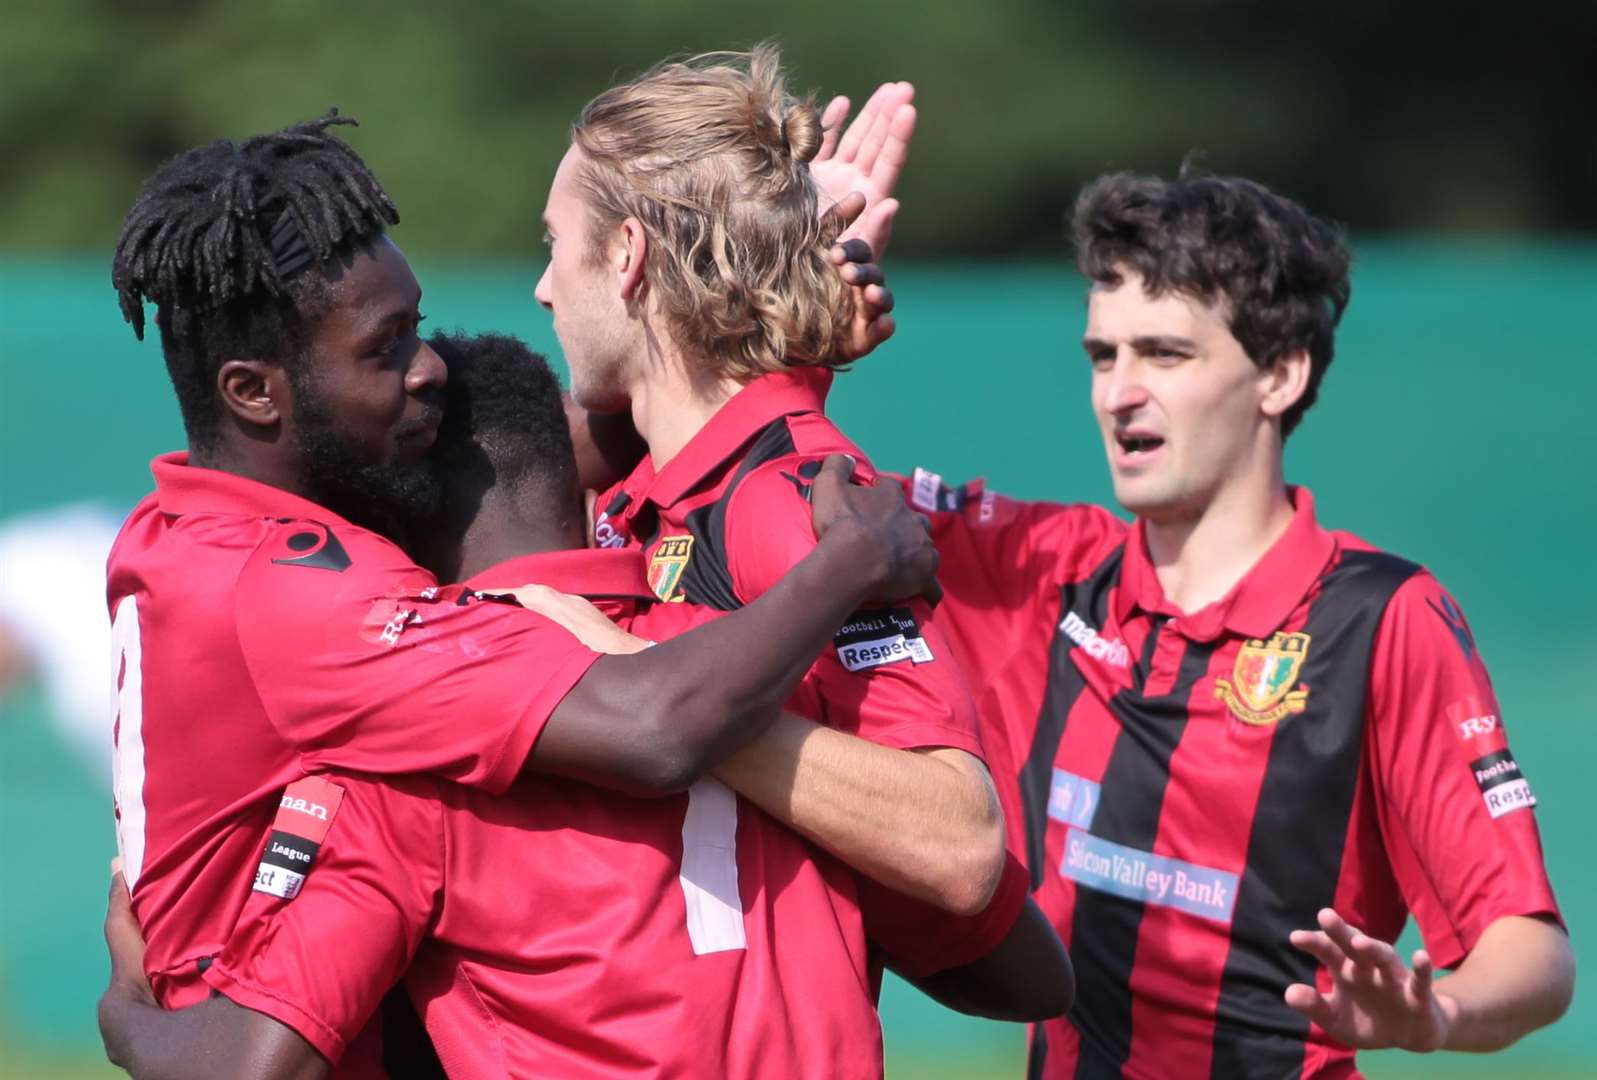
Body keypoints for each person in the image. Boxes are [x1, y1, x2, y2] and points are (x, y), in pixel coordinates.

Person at [102, 109, 940, 1040]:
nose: (427, 368)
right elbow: (653, 728)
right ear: (254, 392)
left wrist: (752, 295)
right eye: (383, 349)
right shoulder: (303, 597)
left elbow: (543, 444)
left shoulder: (202, 522)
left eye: (414, 327)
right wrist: (849, 563)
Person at [98, 331, 1071, 1079]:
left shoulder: (417, 774)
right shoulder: (768, 667)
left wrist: (126, 1009)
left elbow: (262, 1062)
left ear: (391, 519)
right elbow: (1030, 978)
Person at [895, 172, 1573, 1076]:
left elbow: (1531, 953)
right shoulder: (1045, 568)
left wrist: (1434, 1014)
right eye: (1104, 356)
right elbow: (789, 492)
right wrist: (806, 284)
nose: (1117, 394)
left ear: (1279, 374)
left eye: (1165, 355)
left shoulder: (1382, 619)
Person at [542, 45, 1008, 931]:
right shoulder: (644, 485)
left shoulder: (789, 493)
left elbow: (961, 842)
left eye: (555, 245)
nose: (542, 288)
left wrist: (653, 692)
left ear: (627, 255)